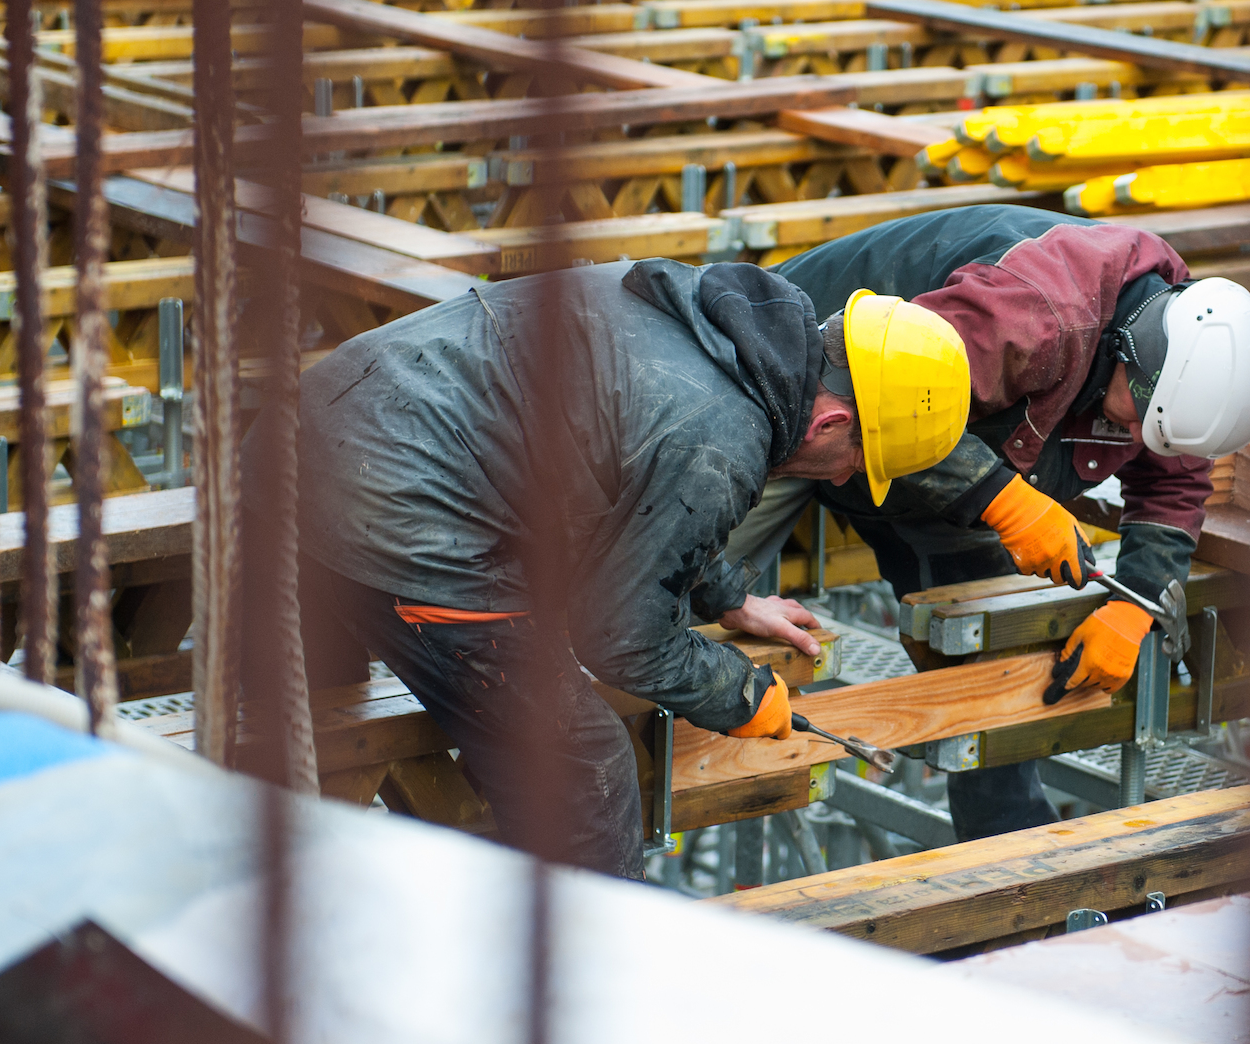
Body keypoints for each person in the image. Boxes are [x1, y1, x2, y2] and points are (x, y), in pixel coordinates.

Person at [256, 261, 970, 877]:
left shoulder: (715, 323)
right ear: (830, 424)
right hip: (396, 509)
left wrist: (729, 597)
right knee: (585, 769)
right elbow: (621, 635)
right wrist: (743, 692)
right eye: (857, 462)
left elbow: (637, 489)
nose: (845, 482)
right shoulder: (724, 434)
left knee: (324, 726)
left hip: (303, 441)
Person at [765, 205, 1250, 839]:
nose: (1134, 436)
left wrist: (1140, 602)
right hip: (795, 397)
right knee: (690, 597)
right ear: (1134, 354)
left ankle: (1008, 859)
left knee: (992, 671)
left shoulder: (1183, 359)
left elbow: (1174, 476)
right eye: (1138, 418)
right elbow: (882, 395)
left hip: (935, 449)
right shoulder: (1032, 315)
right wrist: (1008, 503)